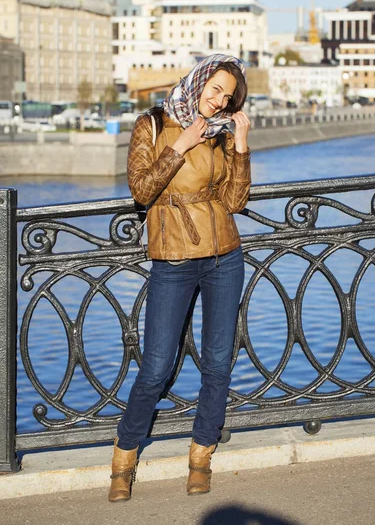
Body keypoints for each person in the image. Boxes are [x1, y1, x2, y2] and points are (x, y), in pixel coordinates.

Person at [109, 53, 251, 502]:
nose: (218, 101)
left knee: (217, 363)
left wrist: (242, 143)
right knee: (155, 368)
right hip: (173, 256)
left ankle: (200, 458)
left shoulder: (223, 132)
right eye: (215, 90)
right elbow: (141, 189)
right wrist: (182, 144)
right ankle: (123, 460)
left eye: (226, 97)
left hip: (224, 255)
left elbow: (235, 200)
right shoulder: (152, 123)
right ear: (199, 81)